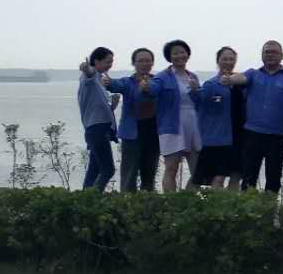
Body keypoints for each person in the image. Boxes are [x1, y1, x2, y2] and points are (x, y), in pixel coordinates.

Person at [229, 40, 283, 193]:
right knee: (249, 177)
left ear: (282, 55)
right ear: (262, 55)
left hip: (277, 136)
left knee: (273, 179)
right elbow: (240, 79)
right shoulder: (253, 74)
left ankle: (269, 207)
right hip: (252, 134)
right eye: (266, 52)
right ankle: (247, 207)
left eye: (274, 52)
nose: (270, 55)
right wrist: (230, 79)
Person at [152, 39, 204, 193]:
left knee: (198, 172)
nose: (180, 55)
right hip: (172, 125)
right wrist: (146, 87)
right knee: (171, 168)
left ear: (188, 54)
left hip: (193, 124)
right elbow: (153, 89)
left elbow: (200, 101)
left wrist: (196, 91)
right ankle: (171, 202)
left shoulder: (193, 76)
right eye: (175, 53)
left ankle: (185, 200)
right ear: (169, 57)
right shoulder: (162, 77)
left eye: (182, 52)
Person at [194, 46, 247, 190]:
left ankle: (230, 204)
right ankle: (216, 204)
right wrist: (194, 91)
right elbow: (198, 104)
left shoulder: (241, 83)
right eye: (225, 59)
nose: (228, 62)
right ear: (218, 61)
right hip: (219, 138)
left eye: (232, 59)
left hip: (240, 135)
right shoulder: (211, 84)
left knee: (236, 175)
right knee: (217, 178)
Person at [109, 47, 159, 192]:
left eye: (148, 61)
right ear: (134, 63)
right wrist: (106, 81)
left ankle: (147, 202)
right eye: (140, 61)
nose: (144, 64)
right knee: (129, 174)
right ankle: (127, 202)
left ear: (152, 63)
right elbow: (114, 85)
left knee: (149, 174)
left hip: (153, 134)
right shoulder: (127, 82)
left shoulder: (158, 81)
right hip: (132, 134)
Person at [76, 47, 118, 191]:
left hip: (100, 129)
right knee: (108, 170)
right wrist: (86, 68)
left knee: (94, 169)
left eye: (112, 62)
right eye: (108, 62)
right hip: (97, 129)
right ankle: (93, 197)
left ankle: (85, 196)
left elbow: (97, 107)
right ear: (96, 61)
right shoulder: (90, 77)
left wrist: (113, 106)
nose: (110, 65)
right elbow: (89, 72)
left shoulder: (99, 80)